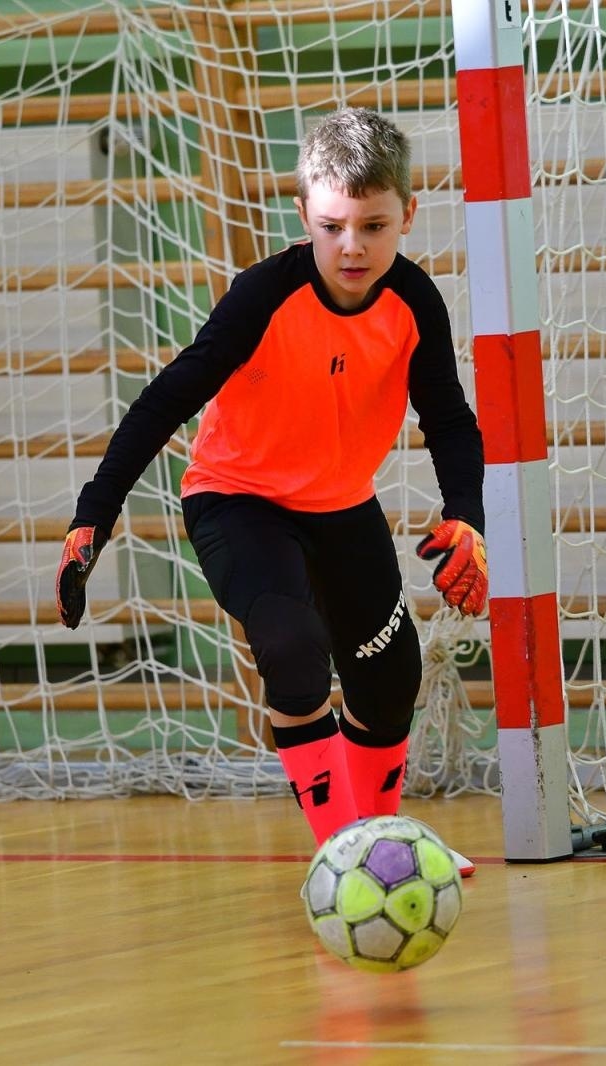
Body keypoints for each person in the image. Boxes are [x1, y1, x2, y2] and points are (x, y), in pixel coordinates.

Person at [55, 108, 488, 876]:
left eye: (374, 226)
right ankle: (346, 851)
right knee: (291, 650)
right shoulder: (264, 296)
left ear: (408, 217)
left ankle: (377, 842)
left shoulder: (414, 303)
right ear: (304, 216)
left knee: (391, 682)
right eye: (332, 226)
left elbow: (450, 420)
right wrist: (95, 513)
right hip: (237, 500)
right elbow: (166, 399)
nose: (351, 246)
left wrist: (467, 519)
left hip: (342, 504)